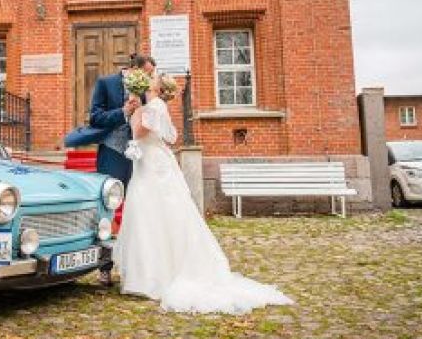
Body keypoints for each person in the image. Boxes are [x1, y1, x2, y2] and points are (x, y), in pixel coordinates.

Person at [113, 73, 293, 313]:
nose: (150, 79)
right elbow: (170, 136)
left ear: (157, 88)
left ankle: (153, 277)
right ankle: (151, 272)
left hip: (153, 167)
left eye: (155, 78)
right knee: (154, 213)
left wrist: (134, 109)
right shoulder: (156, 106)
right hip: (152, 162)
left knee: (152, 212)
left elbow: (139, 133)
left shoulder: (154, 107)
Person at [89, 53, 156, 286]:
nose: (150, 79)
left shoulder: (148, 90)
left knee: (141, 211)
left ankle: (138, 267)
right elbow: (95, 118)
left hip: (141, 156)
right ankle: (105, 268)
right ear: (133, 69)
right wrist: (123, 112)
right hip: (112, 155)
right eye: (147, 74)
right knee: (107, 209)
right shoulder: (105, 83)